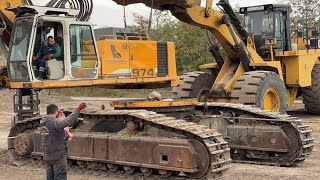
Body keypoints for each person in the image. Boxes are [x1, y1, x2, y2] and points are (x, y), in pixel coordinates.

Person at [41, 103, 86, 180]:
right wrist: (78, 109)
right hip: (58, 156)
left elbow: (52, 134)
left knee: (50, 177)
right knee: (60, 177)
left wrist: (65, 136)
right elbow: (67, 121)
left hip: (48, 156)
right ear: (55, 112)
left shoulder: (43, 121)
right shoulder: (55, 122)